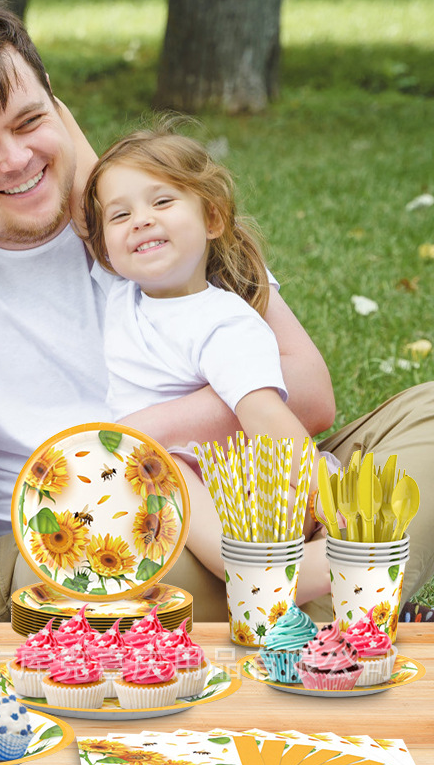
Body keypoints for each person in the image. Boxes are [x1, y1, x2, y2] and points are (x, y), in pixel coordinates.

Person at [0, 0, 434, 623]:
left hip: (260, 479)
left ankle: (308, 595)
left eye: (29, 121)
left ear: (58, 106)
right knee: (78, 579)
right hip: (92, 530)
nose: (18, 159)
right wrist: (130, 450)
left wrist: (152, 429)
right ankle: (345, 596)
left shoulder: (149, 217)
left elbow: (313, 396)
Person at [81, 125, 326, 599]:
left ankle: (264, 576)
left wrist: (322, 502)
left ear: (212, 219)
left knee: (162, 469)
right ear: (105, 248)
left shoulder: (220, 322)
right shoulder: (123, 293)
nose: (140, 221)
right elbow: (85, 193)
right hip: (193, 485)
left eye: (163, 202)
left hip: (248, 492)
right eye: (121, 214)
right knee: (155, 470)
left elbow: (268, 418)